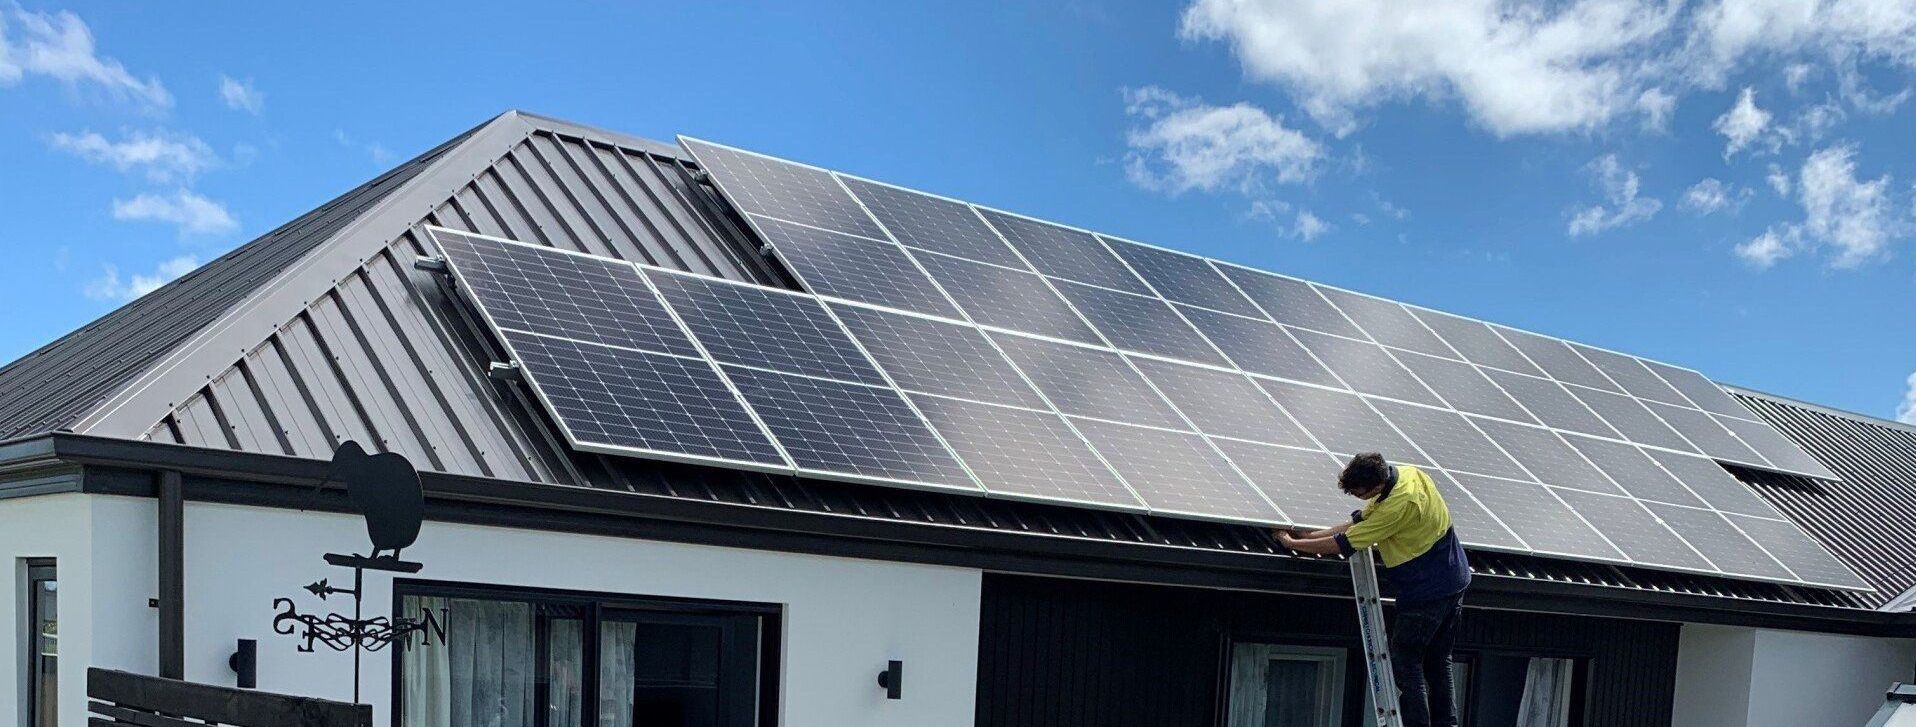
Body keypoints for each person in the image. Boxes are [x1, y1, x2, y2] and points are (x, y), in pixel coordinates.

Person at [1276, 453, 1471, 727]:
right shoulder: (1408, 475)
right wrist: (1309, 536)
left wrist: (1293, 545)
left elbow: (1346, 543)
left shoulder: (1396, 507)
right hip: (1455, 577)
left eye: (1358, 493)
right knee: (1439, 660)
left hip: (1427, 591)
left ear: (1375, 487)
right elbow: (1358, 523)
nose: (1358, 499)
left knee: (1407, 659)